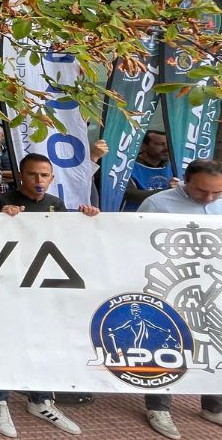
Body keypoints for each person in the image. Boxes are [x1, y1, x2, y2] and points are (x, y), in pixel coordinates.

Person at [0, 152, 96, 438]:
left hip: (43, 287)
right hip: (8, 286)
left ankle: (41, 400)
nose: (39, 180)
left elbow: (66, 241)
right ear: (21, 175)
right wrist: (1, 218)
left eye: (44, 175)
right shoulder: (3, 201)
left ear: (52, 178)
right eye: (33, 174)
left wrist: (87, 220)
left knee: (42, 342)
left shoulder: (56, 205)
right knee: (7, 342)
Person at [136, 159, 222, 439]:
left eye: (216, 193)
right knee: (166, 343)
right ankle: (159, 406)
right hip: (169, 285)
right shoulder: (157, 204)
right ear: (185, 181)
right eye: (201, 191)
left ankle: (214, 405)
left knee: (215, 344)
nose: (209, 198)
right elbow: (132, 242)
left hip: (213, 285)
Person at [124, 130, 176, 210]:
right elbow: (130, 194)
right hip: (136, 216)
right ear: (143, 146)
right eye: (160, 144)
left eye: (167, 143)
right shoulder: (127, 166)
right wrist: (168, 192)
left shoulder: (174, 165)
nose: (166, 148)